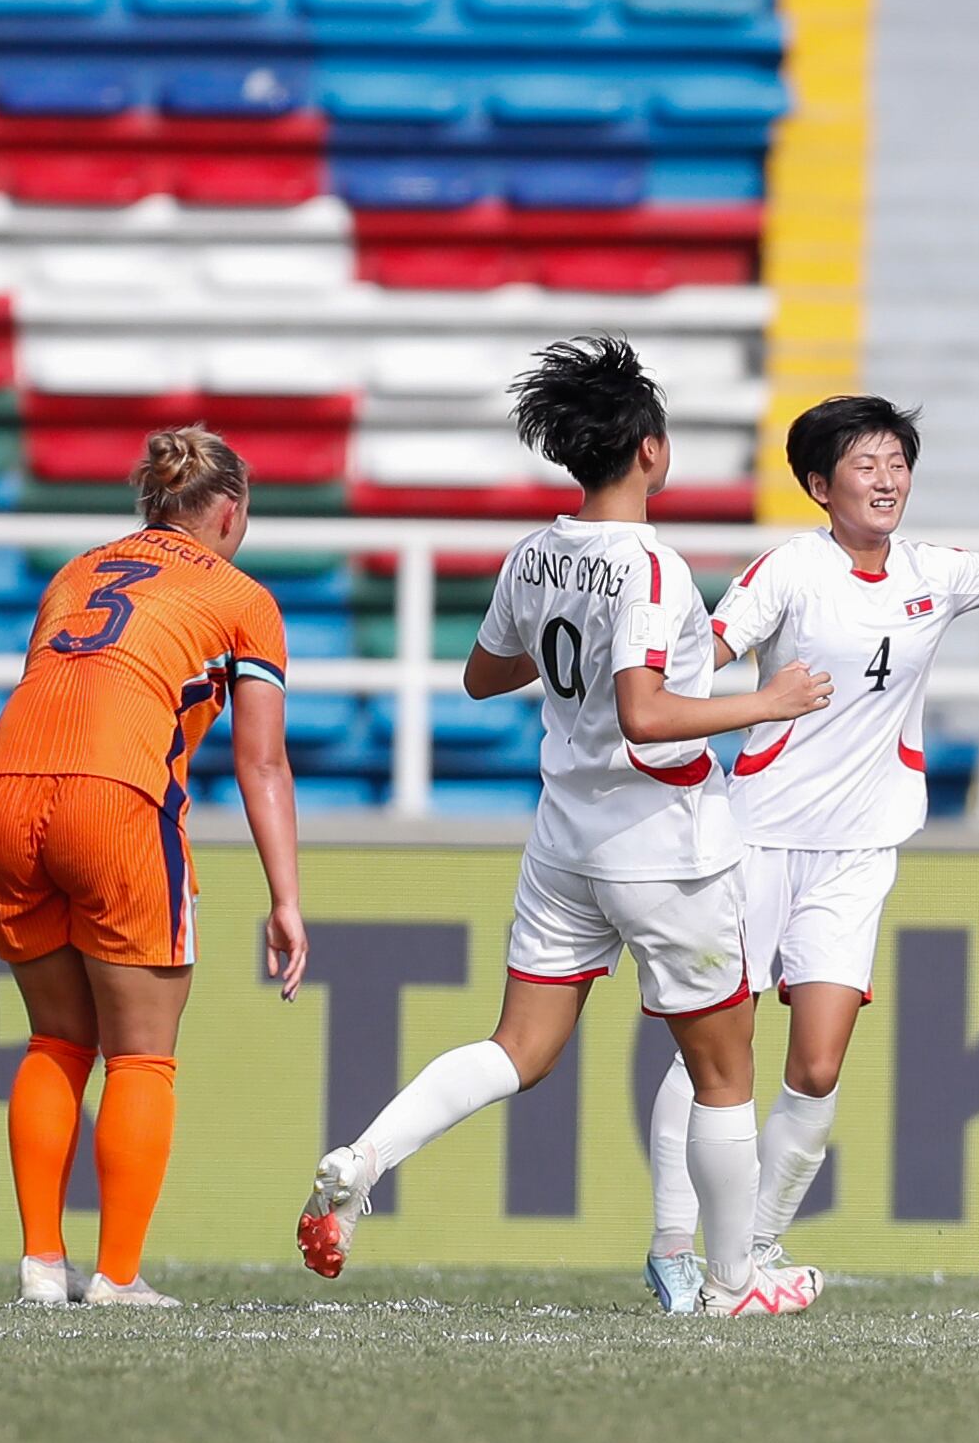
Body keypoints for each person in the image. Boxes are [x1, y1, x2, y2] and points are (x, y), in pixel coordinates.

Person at [294, 336, 831, 1315]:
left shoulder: (537, 549)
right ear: (653, 452)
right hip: (663, 848)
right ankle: (731, 1284)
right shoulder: (654, 568)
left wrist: (573, 658)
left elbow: (483, 674)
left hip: (563, 844)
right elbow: (646, 715)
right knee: (725, 1069)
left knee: (518, 1047)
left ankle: (364, 1157)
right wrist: (770, 700)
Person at [632, 395, 979, 1313]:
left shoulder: (940, 570)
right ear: (820, 485)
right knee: (712, 1050)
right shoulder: (789, 570)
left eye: (896, 462)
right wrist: (751, 698)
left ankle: (755, 1243)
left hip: (860, 849)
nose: (886, 479)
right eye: (864, 464)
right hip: (757, 836)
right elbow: (704, 658)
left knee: (816, 1064)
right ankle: (673, 1242)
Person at [0, 425, 307, 1308]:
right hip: (115, 794)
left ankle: (41, 1265)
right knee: (142, 1057)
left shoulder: (75, 571)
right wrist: (286, 897)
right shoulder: (242, 597)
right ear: (229, 511)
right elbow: (261, 762)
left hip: (4, 786)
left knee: (55, 1038)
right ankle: (117, 1275)